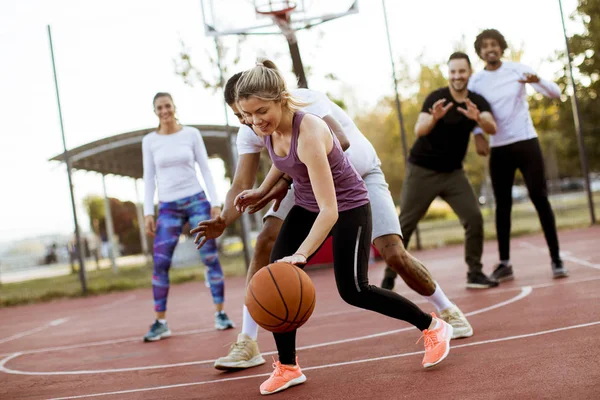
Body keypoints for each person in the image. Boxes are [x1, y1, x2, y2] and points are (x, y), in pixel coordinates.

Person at [195, 60, 453, 395]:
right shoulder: (270, 128)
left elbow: (330, 209)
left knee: (355, 290)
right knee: (275, 274)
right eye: (248, 116)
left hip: (348, 206)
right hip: (307, 202)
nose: (255, 122)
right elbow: (281, 161)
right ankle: (288, 367)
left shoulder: (311, 131)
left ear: (281, 99)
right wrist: (262, 189)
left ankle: (432, 325)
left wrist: (301, 254)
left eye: (261, 112)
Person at [381, 52, 499, 290]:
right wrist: (434, 119)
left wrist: (478, 120)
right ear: (449, 74)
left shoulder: (476, 101)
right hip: (422, 170)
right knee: (405, 225)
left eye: (462, 71)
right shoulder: (437, 98)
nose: (457, 76)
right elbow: (419, 130)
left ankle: (474, 273)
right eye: (453, 72)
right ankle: (388, 279)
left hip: (453, 174)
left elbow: (492, 127)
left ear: (469, 73)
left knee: (474, 218)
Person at [468, 29, 569, 281]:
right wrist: (478, 133)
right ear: (480, 52)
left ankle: (556, 258)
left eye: (494, 44)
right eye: (484, 46)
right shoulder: (476, 82)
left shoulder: (517, 69)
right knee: (503, 206)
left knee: (539, 197)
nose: (490, 49)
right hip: (499, 148)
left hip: (526, 143)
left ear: (501, 48)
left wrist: (538, 81)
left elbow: (555, 93)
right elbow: (471, 110)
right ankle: (505, 263)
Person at [141, 92, 234, 342]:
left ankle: (221, 313)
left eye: (167, 106)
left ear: (174, 107)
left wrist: (214, 203)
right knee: (160, 263)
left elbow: (205, 167)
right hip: (168, 206)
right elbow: (149, 177)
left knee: (209, 256)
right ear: (155, 111)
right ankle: (160, 322)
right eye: (159, 107)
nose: (164, 111)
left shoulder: (191, 134)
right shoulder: (149, 141)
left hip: (196, 200)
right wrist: (148, 211)